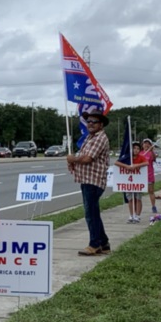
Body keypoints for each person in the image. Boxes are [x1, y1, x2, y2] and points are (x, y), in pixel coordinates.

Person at [67, 110, 111, 256]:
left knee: (90, 214)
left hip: (93, 181)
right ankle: (104, 243)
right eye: (89, 121)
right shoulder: (90, 138)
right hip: (87, 180)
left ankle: (94, 244)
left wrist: (73, 159)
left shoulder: (100, 138)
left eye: (94, 122)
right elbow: (82, 155)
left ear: (101, 124)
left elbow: (87, 158)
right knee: (94, 212)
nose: (90, 124)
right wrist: (74, 161)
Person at [115, 141, 147, 223]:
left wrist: (136, 166)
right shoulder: (127, 157)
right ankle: (131, 214)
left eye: (137, 148)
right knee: (130, 199)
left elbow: (146, 163)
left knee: (138, 198)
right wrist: (127, 166)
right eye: (134, 148)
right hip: (129, 182)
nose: (136, 150)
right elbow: (116, 162)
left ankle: (137, 215)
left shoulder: (141, 157)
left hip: (138, 181)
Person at [140, 138, 158, 213]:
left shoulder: (151, 153)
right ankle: (138, 208)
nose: (146, 145)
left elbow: (154, 158)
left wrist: (152, 150)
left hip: (149, 175)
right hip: (140, 176)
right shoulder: (140, 153)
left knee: (151, 191)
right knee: (139, 193)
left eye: (148, 143)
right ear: (142, 145)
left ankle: (153, 206)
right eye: (145, 143)